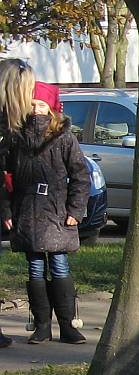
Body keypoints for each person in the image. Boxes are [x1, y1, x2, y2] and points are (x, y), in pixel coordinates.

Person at [0, 59, 89, 345]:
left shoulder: (64, 138)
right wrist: (7, 210)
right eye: (32, 104)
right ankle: (41, 325)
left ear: (51, 109)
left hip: (57, 212)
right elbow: (4, 176)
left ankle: (67, 324)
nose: (36, 110)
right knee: (35, 268)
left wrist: (76, 210)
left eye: (42, 105)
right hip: (27, 213)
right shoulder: (15, 138)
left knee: (60, 266)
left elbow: (80, 175)